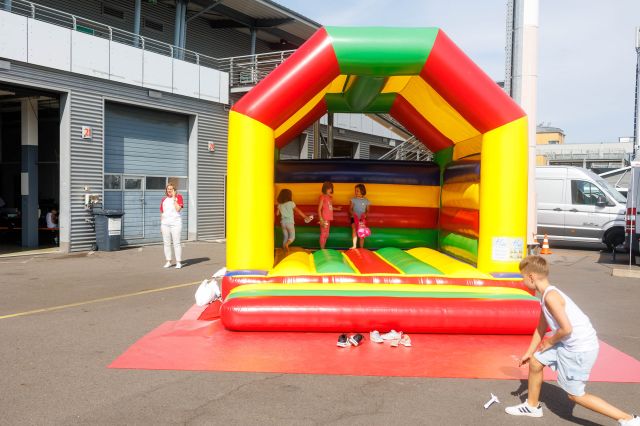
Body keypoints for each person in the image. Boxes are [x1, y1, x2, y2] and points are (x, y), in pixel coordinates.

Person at [505, 255, 639, 425]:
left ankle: (629, 420)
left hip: (579, 349)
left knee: (575, 395)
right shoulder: (546, 295)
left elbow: (567, 329)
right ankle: (532, 407)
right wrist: (529, 352)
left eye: (522, 276)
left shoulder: (551, 297)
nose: (522, 280)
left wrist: (550, 341)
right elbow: (540, 328)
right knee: (536, 362)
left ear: (531, 276)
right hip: (569, 343)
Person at [276, 189, 311, 253]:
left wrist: (280, 209)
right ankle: (287, 245)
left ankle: (285, 252)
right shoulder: (291, 203)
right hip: (289, 222)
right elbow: (298, 211)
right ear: (289, 196)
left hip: (283, 223)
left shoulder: (280, 205)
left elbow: (277, 214)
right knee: (292, 237)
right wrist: (305, 217)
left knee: (285, 236)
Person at [160, 183, 184, 269]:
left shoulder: (179, 197)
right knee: (166, 243)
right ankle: (168, 261)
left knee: (176, 243)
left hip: (175, 223)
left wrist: (174, 198)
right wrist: (161, 225)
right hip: (165, 224)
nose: (169, 190)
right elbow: (162, 213)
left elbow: (178, 209)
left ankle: (178, 262)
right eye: (168, 189)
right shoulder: (164, 200)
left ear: (174, 190)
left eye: (171, 189)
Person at [317, 181, 341, 250]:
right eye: (329, 188)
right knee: (323, 234)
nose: (330, 190)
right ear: (325, 189)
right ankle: (322, 249)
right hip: (324, 218)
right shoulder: (322, 197)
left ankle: (323, 248)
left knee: (326, 235)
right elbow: (319, 209)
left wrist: (337, 208)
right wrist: (321, 219)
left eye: (331, 189)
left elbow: (330, 207)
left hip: (328, 218)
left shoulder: (330, 198)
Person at [349, 184, 370, 249]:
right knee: (354, 229)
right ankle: (354, 245)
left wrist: (366, 214)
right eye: (355, 191)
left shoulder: (366, 201)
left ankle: (361, 247)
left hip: (361, 219)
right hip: (354, 218)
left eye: (357, 191)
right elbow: (350, 209)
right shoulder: (353, 199)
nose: (356, 192)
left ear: (362, 191)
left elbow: (367, 210)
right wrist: (352, 213)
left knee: (362, 231)